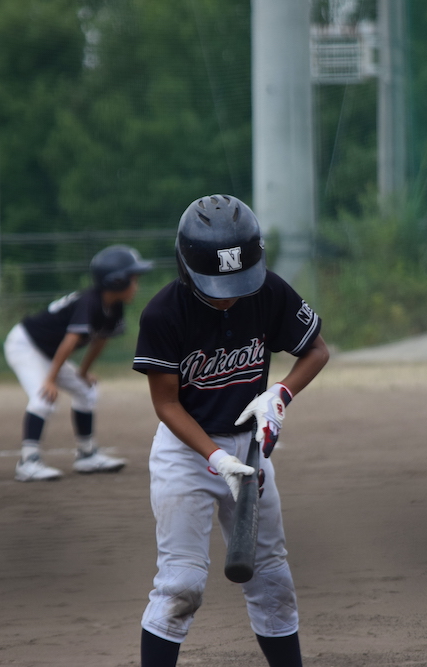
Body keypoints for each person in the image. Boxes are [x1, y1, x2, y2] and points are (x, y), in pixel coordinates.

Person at [132, 194, 330, 667]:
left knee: (272, 579)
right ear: (186, 268)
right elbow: (166, 404)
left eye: (239, 282)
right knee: (181, 585)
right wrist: (217, 459)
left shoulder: (268, 292)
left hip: (251, 449)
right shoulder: (163, 314)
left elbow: (316, 350)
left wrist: (279, 394)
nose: (230, 295)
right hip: (187, 454)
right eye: (217, 286)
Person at [5, 244, 154, 482]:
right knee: (44, 397)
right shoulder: (90, 301)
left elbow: (100, 341)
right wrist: (50, 380)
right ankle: (28, 461)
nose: (136, 285)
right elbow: (70, 340)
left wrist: (83, 372)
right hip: (26, 344)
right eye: (133, 279)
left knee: (87, 390)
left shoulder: (114, 307)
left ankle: (86, 455)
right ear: (116, 281)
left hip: (49, 352)